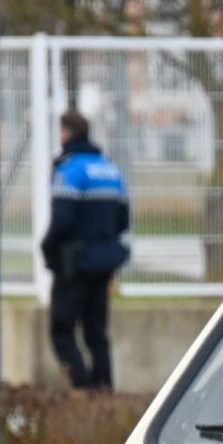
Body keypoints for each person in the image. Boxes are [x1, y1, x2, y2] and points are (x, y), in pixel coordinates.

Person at [41, 110, 130, 389]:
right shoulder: (110, 169)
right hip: (103, 263)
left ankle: (83, 390)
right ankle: (104, 390)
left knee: (63, 331)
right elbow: (122, 220)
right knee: (97, 333)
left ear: (67, 133)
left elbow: (62, 221)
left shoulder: (70, 170)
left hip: (74, 264)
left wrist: (48, 248)